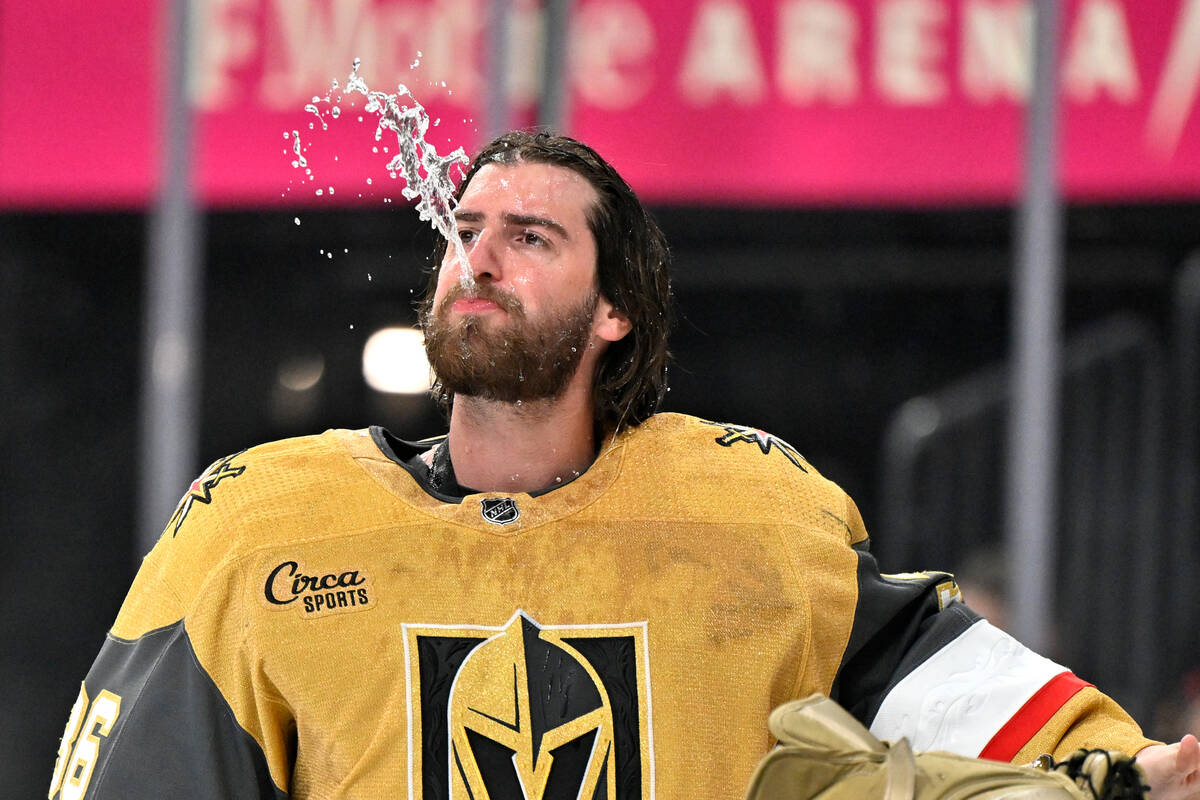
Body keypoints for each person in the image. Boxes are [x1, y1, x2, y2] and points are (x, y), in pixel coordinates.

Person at [48, 131, 1199, 800]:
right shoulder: (260, 525)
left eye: (529, 236)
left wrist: (1132, 765)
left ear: (613, 313)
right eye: (465, 227)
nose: (478, 256)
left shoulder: (749, 516)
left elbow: (944, 682)